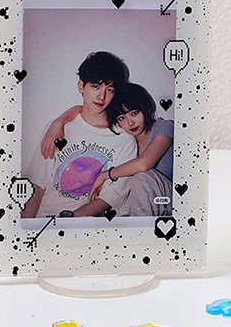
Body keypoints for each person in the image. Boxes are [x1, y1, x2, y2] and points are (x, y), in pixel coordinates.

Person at [21, 51, 136, 218]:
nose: (101, 96)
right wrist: (26, 227)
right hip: (44, 221)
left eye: (109, 89)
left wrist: (68, 221)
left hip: (82, 224)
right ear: (81, 86)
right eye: (96, 86)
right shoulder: (58, 130)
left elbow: (107, 200)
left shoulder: (124, 141)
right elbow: (36, 187)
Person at [46, 83, 173, 218]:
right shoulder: (127, 143)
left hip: (168, 202)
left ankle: (137, 229)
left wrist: (105, 175)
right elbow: (83, 110)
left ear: (146, 109)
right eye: (122, 118)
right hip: (143, 207)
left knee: (143, 177)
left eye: (134, 113)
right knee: (117, 201)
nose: (130, 123)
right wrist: (58, 122)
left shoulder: (164, 127)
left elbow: (144, 164)